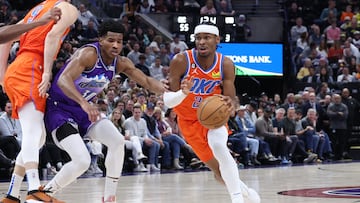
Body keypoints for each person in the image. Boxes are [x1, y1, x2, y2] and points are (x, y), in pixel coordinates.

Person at [41, 19, 166, 202]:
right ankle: (45, 193)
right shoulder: (88, 54)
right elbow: (63, 80)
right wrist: (84, 102)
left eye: (119, 41)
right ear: (101, 40)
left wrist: (170, 90)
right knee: (82, 161)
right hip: (59, 110)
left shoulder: (120, 62)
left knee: (117, 142)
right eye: (110, 40)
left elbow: (147, 82)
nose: (115, 45)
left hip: (85, 112)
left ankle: (109, 197)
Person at [163, 22, 260, 203]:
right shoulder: (181, 60)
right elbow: (168, 100)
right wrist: (183, 92)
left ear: (217, 40)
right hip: (188, 120)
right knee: (218, 172)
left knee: (219, 146)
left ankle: (237, 199)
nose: (201, 42)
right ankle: (247, 193)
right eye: (198, 38)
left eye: (206, 38)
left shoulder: (226, 64)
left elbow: (230, 97)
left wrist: (231, 103)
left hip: (213, 118)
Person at [0, 1, 78, 203]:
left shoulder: (37, 9)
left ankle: (12, 194)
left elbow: (4, 35)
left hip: (18, 67)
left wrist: (2, 73)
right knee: (33, 131)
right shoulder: (68, 8)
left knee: (39, 137)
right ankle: (34, 189)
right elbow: (52, 36)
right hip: (32, 67)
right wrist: (47, 72)